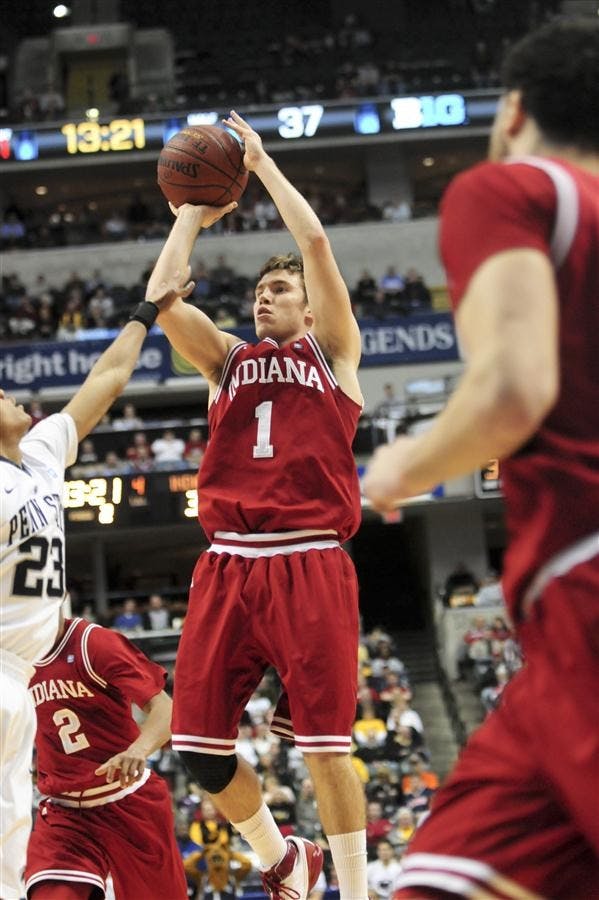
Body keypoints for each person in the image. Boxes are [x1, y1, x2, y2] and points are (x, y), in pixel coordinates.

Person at [364, 18, 599, 898]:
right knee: (442, 877)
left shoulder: (510, 191)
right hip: (551, 660)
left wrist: (400, 467)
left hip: (586, 578)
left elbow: (510, 387)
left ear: (510, 110)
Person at [148, 110, 368, 900]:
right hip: (229, 564)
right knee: (198, 751)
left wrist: (265, 167)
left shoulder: (331, 353)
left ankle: (357, 890)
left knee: (325, 749)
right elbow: (164, 301)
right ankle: (285, 864)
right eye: (259, 293)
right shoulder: (227, 364)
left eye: (278, 292)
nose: (263, 301)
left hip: (309, 557)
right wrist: (188, 217)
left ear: (309, 309)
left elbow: (315, 246)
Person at [0, 232, 208, 899]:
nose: (13, 395)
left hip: (24, 673)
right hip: (4, 664)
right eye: (1, 394)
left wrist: (148, 310)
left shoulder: (39, 455)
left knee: (11, 833)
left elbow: (108, 379)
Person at [24, 614, 188, 899]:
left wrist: (137, 751)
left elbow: (166, 711)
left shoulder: (94, 643)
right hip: (66, 815)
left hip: (128, 802)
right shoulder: (16, 655)